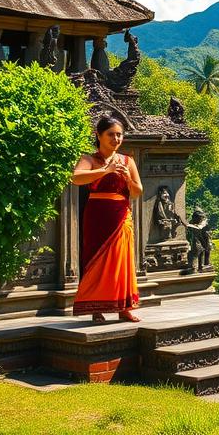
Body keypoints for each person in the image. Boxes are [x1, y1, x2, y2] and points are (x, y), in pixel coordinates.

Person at [70, 114, 143, 322]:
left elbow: (137, 192)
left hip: (121, 216)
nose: (116, 139)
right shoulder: (89, 159)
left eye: (119, 135)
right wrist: (105, 170)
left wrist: (128, 178)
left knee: (122, 261)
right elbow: (76, 178)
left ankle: (124, 307)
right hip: (97, 215)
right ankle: (96, 308)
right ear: (99, 135)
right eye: (111, 134)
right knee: (96, 261)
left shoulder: (127, 161)